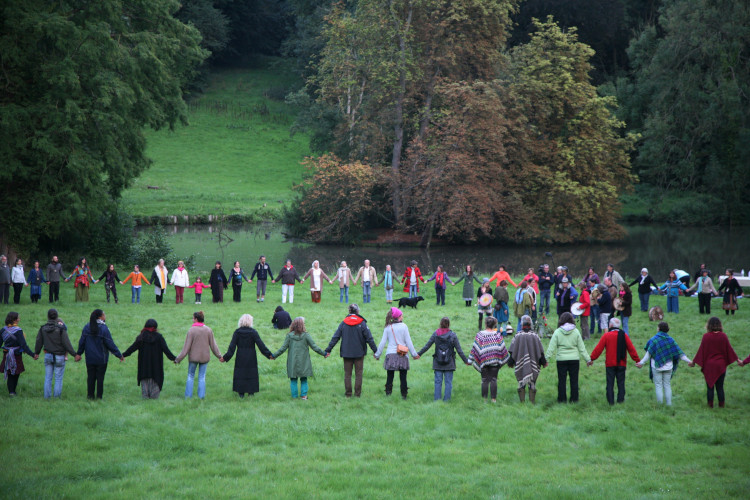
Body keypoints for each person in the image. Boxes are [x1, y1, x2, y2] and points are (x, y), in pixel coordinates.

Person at [324, 304, 378, 398]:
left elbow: (335, 337)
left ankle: (348, 394)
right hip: (359, 353)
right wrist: (376, 352)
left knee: (347, 374)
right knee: (358, 374)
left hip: (346, 353)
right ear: (358, 311)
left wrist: (328, 350)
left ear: (349, 311)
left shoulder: (344, 323)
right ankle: (357, 395)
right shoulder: (362, 323)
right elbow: (369, 338)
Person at [635, 322, 692, 406]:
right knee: (667, 385)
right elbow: (680, 354)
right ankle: (669, 404)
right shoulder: (670, 340)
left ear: (658, 328)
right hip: (669, 367)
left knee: (658, 385)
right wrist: (689, 361)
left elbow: (648, 354)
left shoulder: (654, 340)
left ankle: (660, 404)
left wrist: (641, 363)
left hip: (656, 366)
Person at [688, 317, 739, 408]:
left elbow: (701, 351)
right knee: (720, 387)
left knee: (710, 387)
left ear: (709, 325)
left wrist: (693, 362)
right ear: (720, 325)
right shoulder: (723, 336)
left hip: (709, 366)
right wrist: (738, 360)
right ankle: (721, 405)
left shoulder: (706, 336)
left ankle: (710, 405)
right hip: (720, 365)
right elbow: (729, 349)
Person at [272, 317, 326, 400]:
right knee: (304, 379)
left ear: (293, 324)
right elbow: (314, 347)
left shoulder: (289, 336)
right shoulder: (306, 335)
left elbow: (282, 348)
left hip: (292, 361)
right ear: (302, 325)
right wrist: (324, 353)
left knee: (293, 379)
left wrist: (274, 355)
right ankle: (304, 396)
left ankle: (294, 397)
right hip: (304, 362)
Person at [590, 317, 640, 405]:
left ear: (611, 325)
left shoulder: (606, 335)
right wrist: (637, 360)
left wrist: (591, 359)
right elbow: (631, 349)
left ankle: (611, 402)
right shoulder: (624, 335)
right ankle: (620, 401)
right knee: (621, 383)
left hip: (610, 364)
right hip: (622, 363)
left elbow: (598, 349)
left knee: (610, 383)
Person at [417, 317, 469, 401]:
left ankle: (437, 400)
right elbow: (459, 350)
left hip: (438, 361)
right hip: (450, 362)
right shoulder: (453, 335)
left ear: (440, 324)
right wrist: (466, 361)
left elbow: (427, 346)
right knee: (448, 382)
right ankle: (446, 401)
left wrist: (419, 354)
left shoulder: (435, 334)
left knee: (438, 382)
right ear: (448, 324)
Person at [122, 319, 176, 399]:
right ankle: (154, 396)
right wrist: (174, 359)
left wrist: (122, 355)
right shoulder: (159, 337)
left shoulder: (141, 337)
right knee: (156, 378)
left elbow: (132, 348)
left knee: (145, 379)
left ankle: (145, 395)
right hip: (156, 364)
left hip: (144, 364)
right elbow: (166, 350)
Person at [76, 309, 123, 400]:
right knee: (100, 378)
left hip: (89, 358)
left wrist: (79, 353)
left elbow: (82, 342)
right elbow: (110, 343)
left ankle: (90, 396)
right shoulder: (104, 329)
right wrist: (119, 355)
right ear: (100, 317)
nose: (105, 316)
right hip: (102, 359)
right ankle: (99, 397)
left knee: (90, 378)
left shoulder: (87, 327)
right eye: (104, 315)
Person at [175, 311, 223, 400]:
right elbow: (213, 346)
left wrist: (178, 359)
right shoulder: (208, 330)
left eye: (193, 318)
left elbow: (186, 348)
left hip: (193, 357)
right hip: (205, 358)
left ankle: (188, 397)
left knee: (190, 376)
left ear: (196, 319)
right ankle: (201, 397)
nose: (192, 320)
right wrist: (219, 356)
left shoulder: (191, 330)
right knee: (202, 377)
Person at [222, 314, 272, 398]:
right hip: (251, 356)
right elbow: (261, 345)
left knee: (240, 373)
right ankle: (251, 392)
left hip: (240, 355)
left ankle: (241, 392)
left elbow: (232, 347)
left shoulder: (237, 332)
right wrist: (269, 354)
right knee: (251, 372)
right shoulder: (253, 332)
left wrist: (225, 357)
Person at [546, 312, 591, 403]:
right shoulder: (576, 332)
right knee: (574, 380)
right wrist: (588, 359)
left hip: (561, 360)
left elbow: (551, 348)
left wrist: (545, 359)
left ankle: (562, 399)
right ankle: (574, 399)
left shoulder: (558, 332)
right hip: (574, 359)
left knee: (562, 380)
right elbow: (582, 348)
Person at [374, 307, 419, 399]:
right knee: (403, 377)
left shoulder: (388, 327)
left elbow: (382, 343)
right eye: (401, 315)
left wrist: (377, 354)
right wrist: (414, 354)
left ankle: (388, 394)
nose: (402, 317)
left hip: (390, 355)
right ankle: (404, 395)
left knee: (390, 376)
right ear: (398, 317)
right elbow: (409, 342)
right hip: (402, 354)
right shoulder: (404, 326)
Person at [34, 309, 79, 398]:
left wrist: (36, 353)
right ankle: (57, 397)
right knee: (58, 378)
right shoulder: (61, 329)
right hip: (59, 356)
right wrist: (75, 354)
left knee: (48, 378)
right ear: (57, 317)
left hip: (48, 355)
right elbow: (67, 343)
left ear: (48, 316)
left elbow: (39, 341)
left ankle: (47, 397)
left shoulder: (43, 328)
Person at [467, 316, 509, 402]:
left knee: (484, 380)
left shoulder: (480, 335)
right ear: (494, 325)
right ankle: (493, 399)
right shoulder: (498, 335)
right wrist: (506, 359)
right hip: (495, 361)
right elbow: (503, 349)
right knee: (494, 379)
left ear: (485, 324)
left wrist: (470, 360)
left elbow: (474, 348)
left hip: (484, 361)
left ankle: (484, 399)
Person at [507, 315, 547, 403]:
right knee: (532, 382)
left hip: (520, 362)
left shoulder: (518, 335)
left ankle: (522, 402)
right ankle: (532, 402)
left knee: (521, 381)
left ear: (521, 324)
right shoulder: (535, 335)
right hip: (533, 363)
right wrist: (543, 362)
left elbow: (512, 351)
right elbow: (540, 352)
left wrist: (511, 361)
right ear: (531, 324)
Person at [1, 312, 38, 395]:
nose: (19, 319)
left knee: (10, 373)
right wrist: (33, 355)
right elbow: (23, 345)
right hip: (16, 354)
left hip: (6, 354)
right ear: (14, 319)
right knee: (16, 373)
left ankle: (11, 392)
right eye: (18, 318)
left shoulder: (3, 330)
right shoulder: (18, 331)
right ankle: (12, 392)